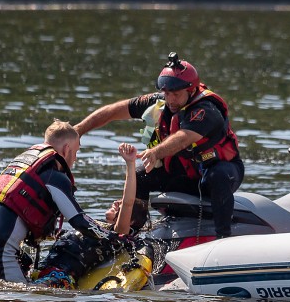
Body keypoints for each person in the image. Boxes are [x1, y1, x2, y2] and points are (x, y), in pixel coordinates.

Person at [74, 52, 244, 238]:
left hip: (218, 175)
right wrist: (79, 129)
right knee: (140, 174)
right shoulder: (160, 102)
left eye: (176, 94)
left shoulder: (206, 111)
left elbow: (183, 137)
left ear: (191, 90)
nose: (170, 99)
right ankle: (130, 235)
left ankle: (223, 238)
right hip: (184, 177)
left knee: (217, 175)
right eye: (166, 93)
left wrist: (155, 153)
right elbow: (114, 111)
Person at [0, 119, 123, 285]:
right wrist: (116, 238)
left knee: (6, 296)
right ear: (66, 149)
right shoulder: (54, 176)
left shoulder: (27, 163)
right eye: (76, 152)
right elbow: (80, 221)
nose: (75, 158)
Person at [33, 143, 149, 289]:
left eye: (119, 204)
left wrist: (130, 163)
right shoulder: (96, 226)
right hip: (44, 271)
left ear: (130, 220)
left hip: (59, 277)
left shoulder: (117, 234)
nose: (115, 202)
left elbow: (128, 202)